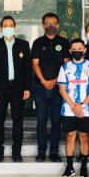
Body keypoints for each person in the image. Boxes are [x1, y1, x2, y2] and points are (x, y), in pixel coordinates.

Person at [0, 15, 32, 162]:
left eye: (11, 25)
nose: (8, 28)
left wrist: (27, 88)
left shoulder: (23, 44)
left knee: (18, 121)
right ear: (1, 28)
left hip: (18, 88)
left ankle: (16, 151)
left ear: (15, 27)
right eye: (5, 25)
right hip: (0, 88)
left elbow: (28, 68)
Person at [31, 12, 70, 162]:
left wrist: (55, 80)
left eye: (53, 23)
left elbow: (66, 65)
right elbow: (35, 64)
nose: (50, 26)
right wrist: (43, 81)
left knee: (56, 121)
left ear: (58, 25)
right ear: (43, 25)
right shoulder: (38, 42)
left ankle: (54, 151)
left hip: (58, 89)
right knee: (41, 120)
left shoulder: (64, 42)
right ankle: (41, 151)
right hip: (40, 88)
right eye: (47, 23)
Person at [58, 39, 89, 177]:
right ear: (70, 51)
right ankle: (69, 167)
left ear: (84, 50)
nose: (77, 51)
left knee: (84, 137)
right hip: (68, 109)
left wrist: (82, 105)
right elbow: (62, 89)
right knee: (70, 136)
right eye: (74, 49)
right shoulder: (65, 67)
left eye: (80, 48)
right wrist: (73, 106)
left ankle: (84, 167)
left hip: (86, 109)